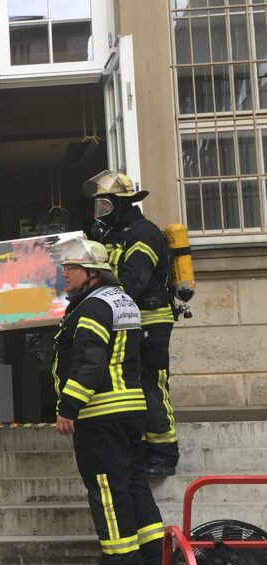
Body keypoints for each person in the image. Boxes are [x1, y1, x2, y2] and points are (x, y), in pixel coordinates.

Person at [54, 238, 164, 565]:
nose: (64, 274)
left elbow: (90, 362)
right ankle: (157, 562)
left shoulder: (90, 308)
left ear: (92, 273)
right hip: (130, 410)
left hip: (100, 413)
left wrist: (68, 407)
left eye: (70, 268)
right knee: (133, 485)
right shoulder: (122, 301)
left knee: (107, 488)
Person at [84, 170, 179, 478]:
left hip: (150, 320)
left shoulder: (143, 233)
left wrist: (98, 304)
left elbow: (133, 280)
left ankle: (165, 451)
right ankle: (141, 447)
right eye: (98, 208)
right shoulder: (114, 235)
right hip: (127, 321)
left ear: (122, 205)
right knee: (133, 385)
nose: (101, 214)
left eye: (106, 207)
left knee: (151, 383)